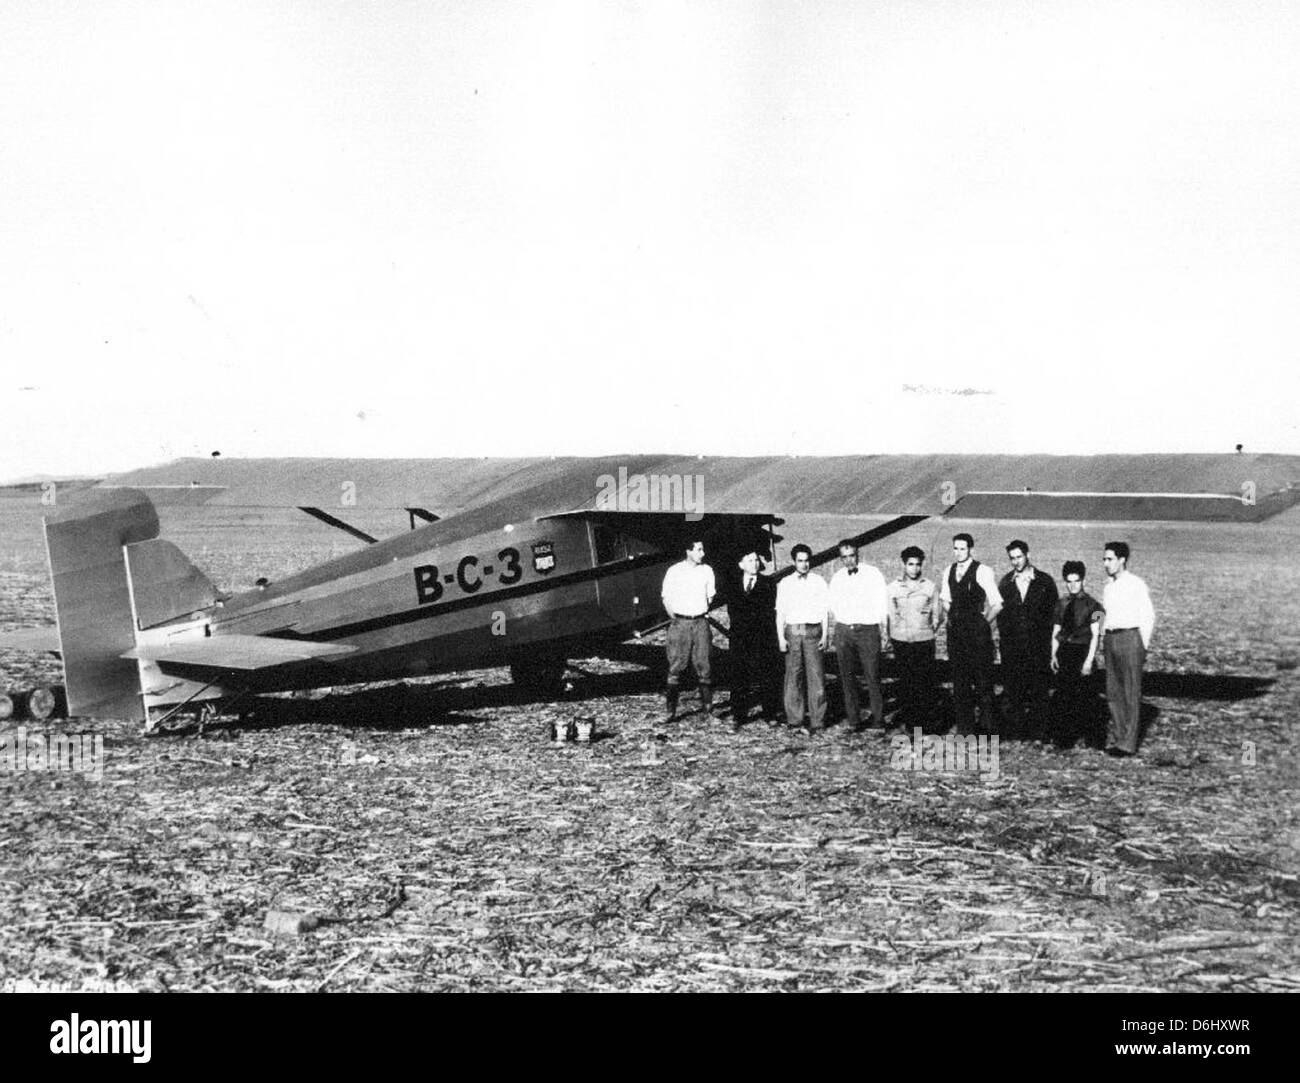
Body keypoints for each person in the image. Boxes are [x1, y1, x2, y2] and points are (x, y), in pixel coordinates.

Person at [938, 533, 1002, 735]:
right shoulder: (948, 570)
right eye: (955, 548)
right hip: (957, 636)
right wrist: (956, 618)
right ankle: (965, 730)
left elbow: (997, 604)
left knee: (983, 683)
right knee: (960, 683)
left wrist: (982, 623)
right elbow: (946, 600)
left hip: (977, 636)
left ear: (971, 550)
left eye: (962, 549)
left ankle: (988, 730)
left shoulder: (982, 571)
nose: (958, 553)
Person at [996, 539, 1059, 739]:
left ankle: (1039, 731)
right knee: (1014, 688)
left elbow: (1054, 614)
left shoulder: (1045, 582)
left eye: (1019, 557)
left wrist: (1051, 645)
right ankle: (1015, 730)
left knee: (1039, 688)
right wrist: (1003, 645)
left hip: (1038, 645)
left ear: (1028, 555)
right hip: (1013, 647)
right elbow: (1001, 617)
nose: (1016, 562)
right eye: (1012, 558)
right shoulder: (1006, 583)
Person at [1100, 541, 1155, 756]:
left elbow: (1148, 615)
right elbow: (1104, 613)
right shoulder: (1108, 587)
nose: (1106, 564)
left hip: (1130, 638)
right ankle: (1119, 736)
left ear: (1122, 560)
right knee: (1113, 692)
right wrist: (1099, 629)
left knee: (1130, 691)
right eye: (1104, 559)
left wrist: (1142, 645)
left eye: (1110, 559)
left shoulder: (1136, 584)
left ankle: (1128, 743)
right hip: (1111, 639)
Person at [828, 540, 888, 731]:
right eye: (844, 557)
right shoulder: (837, 577)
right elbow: (833, 604)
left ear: (858, 554)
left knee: (872, 674)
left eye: (851, 555)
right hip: (845, 630)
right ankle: (854, 720)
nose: (848, 560)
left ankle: (878, 719)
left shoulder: (873, 574)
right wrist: (839, 627)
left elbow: (882, 602)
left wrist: (883, 628)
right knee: (847, 676)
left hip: (868, 630)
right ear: (840, 558)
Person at [660, 537, 716, 722]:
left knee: (704, 664)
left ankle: (708, 709)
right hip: (680, 624)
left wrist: (697, 614)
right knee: (676, 666)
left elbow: (709, 598)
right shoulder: (674, 571)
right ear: (688, 551)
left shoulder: (707, 571)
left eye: (702, 549)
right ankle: (671, 711)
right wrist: (677, 619)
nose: (703, 553)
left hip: (700, 622)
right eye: (699, 549)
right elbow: (666, 598)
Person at [885, 545, 941, 731]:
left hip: (924, 641)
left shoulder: (930, 587)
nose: (914, 568)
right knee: (906, 682)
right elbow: (891, 615)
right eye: (910, 564)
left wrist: (926, 630)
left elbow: (937, 615)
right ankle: (909, 723)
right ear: (903, 564)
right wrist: (895, 633)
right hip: (902, 641)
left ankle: (924, 723)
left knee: (924, 683)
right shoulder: (893, 587)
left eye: (918, 564)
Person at [1050, 560, 1105, 748]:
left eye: (1076, 580)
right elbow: (1056, 631)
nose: (1073, 585)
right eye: (1069, 581)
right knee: (1064, 695)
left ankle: (1094, 740)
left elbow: (1096, 636)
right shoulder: (1060, 604)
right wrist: (1053, 654)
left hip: (1083, 651)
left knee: (1087, 698)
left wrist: (1089, 661)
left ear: (1083, 580)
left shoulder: (1095, 606)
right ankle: (1064, 738)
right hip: (1065, 651)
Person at [775, 543, 829, 731]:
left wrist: (825, 634)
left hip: (813, 630)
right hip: (794, 630)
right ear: (794, 562)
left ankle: (817, 720)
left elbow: (824, 610)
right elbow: (780, 613)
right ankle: (795, 719)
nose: (804, 564)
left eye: (807, 561)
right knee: (793, 675)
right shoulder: (785, 583)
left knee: (816, 675)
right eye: (800, 561)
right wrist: (781, 638)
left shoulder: (818, 581)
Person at [724, 548, 780, 729]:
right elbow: (733, 611)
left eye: (756, 560)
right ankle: (738, 715)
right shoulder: (733, 585)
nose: (754, 564)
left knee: (767, 676)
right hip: (740, 638)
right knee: (739, 676)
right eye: (749, 560)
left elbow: (768, 611)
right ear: (741, 565)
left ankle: (770, 714)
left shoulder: (768, 583)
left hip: (762, 637)